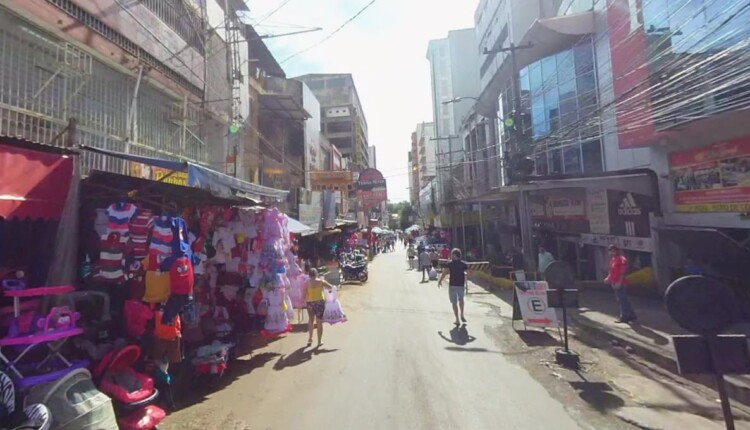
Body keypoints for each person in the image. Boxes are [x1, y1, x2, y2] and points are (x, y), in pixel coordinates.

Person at [604, 245, 637, 323]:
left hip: (620, 283)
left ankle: (624, 316)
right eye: (610, 251)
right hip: (614, 282)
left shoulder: (621, 259)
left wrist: (619, 282)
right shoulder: (613, 259)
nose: (612, 252)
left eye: (613, 250)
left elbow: (622, 272)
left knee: (622, 300)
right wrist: (608, 278)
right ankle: (632, 314)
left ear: (617, 251)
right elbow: (611, 272)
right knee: (623, 299)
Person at [438, 248, 469, 325]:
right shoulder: (464, 264)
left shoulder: (450, 264)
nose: (451, 256)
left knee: (454, 302)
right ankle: (462, 314)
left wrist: (440, 280)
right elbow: (468, 273)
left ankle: (457, 319)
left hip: (453, 285)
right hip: (461, 285)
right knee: (461, 300)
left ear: (454, 255)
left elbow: (445, 273)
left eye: (452, 254)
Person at [305, 268, 333, 347]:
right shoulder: (321, 282)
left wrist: (300, 304)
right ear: (316, 274)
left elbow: (304, 294)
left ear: (309, 275)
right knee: (319, 321)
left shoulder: (306, 283)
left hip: (310, 303)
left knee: (311, 320)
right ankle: (319, 340)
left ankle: (310, 338)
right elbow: (330, 287)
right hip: (319, 303)